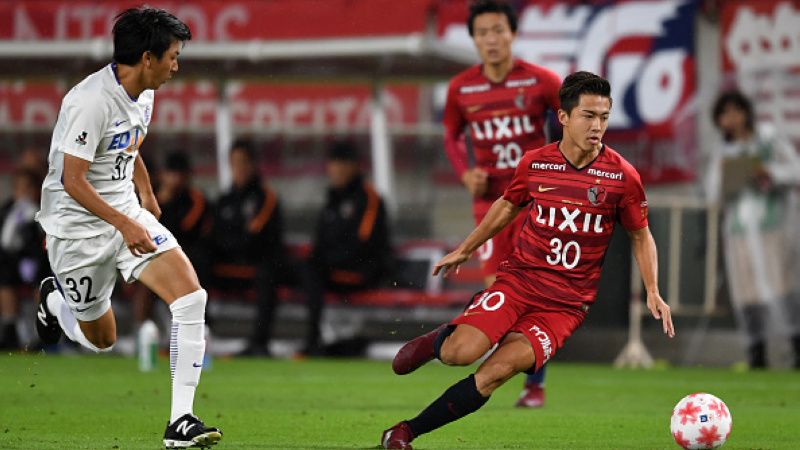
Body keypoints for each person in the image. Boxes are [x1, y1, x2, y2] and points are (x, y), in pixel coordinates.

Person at [380, 72, 675, 449]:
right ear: (564, 117)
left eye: (604, 117)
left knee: (495, 372)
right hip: (519, 282)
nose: (597, 126)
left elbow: (640, 234)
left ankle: (405, 432)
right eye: (588, 115)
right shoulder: (536, 163)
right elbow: (507, 205)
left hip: (565, 305)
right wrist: (467, 248)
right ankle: (439, 339)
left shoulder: (622, 177)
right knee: (460, 354)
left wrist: (653, 289)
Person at [33, 7, 222, 448]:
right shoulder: (88, 101)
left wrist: (146, 192)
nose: (177, 66)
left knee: (191, 297)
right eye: (172, 56)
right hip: (76, 230)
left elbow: (129, 142)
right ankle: (56, 302)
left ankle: (181, 422)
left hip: (123, 213)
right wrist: (124, 222)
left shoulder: (144, 91)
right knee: (102, 340)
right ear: (147, 57)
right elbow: (72, 180)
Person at [440, 0, 562, 407]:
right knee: (500, 293)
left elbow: (572, 124)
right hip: (490, 205)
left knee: (534, 292)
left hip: (534, 205)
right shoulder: (461, 88)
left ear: (512, 33)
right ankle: (506, 370)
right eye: (483, 33)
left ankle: (534, 385)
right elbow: (451, 136)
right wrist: (464, 172)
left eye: (498, 31)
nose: (491, 40)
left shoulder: (542, 81)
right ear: (473, 38)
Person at [707, 89, 800, 368]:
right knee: (748, 293)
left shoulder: (768, 139)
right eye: (724, 114)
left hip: (773, 226)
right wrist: (726, 175)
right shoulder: (723, 152)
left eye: (735, 111)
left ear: (746, 112)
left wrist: (769, 172)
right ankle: (756, 352)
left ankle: (796, 346)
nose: (731, 118)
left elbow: (795, 170)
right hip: (740, 232)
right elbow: (713, 196)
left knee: (782, 287)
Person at [299, 141, 393, 356]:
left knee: (311, 271)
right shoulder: (332, 199)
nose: (336, 170)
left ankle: (314, 339)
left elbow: (363, 245)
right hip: (333, 269)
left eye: (341, 164)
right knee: (289, 270)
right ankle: (317, 339)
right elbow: (320, 240)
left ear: (354, 167)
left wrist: (325, 260)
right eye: (333, 164)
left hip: (363, 271)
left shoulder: (369, 198)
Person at [210, 140, 285, 357]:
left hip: (257, 264)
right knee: (196, 262)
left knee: (268, 273)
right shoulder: (225, 200)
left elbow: (254, 237)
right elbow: (214, 236)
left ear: (253, 165)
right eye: (234, 163)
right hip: (229, 266)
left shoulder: (265, 198)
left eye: (243, 162)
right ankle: (198, 335)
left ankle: (259, 343)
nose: (238, 168)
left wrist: (229, 242)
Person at [131, 151, 210, 332]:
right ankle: (142, 332)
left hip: (188, 257)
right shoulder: (150, 197)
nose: (174, 179)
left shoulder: (195, 200)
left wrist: (165, 203)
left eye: (178, 174)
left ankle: (193, 331)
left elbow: (182, 230)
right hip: (154, 254)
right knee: (144, 280)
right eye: (170, 173)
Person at [0, 168, 47, 350]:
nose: (24, 193)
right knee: (4, 276)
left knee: (44, 278)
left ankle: (42, 329)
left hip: (38, 260)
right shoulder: (7, 211)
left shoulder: (43, 211)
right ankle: (9, 328)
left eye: (28, 188)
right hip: (11, 262)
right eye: (20, 188)